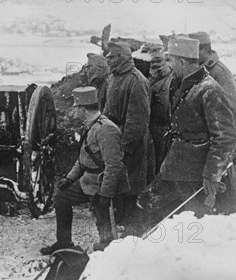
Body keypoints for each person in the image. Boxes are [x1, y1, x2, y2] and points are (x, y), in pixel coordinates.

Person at [126, 37, 236, 236]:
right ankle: (135, 249)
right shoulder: (180, 84)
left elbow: (225, 138)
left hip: (195, 175)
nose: (168, 65)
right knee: (145, 204)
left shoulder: (210, 90)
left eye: (171, 61)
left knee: (194, 226)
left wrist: (211, 176)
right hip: (174, 166)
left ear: (183, 62)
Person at [41, 87, 130, 255]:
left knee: (105, 221)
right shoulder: (91, 126)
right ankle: (63, 241)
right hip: (88, 181)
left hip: (104, 184)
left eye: (76, 108)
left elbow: (113, 166)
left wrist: (106, 194)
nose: (74, 112)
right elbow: (83, 160)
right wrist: (69, 179)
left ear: (83, 109)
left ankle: (108, 250)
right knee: (62, 198)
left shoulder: (106, 129)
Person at [103, 41, 153, 224]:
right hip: (116, 140)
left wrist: (123, 149)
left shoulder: (137, 81)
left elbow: (137, 123)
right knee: (118, 189)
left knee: (131, 189)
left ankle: (131, 235)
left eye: (111, 56)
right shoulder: (114, 78)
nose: (107, 59)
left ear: (121, 58)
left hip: (133, 147)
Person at [187, 32, 236, 120]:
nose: (190, 55)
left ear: (205, 49)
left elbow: (232, 108)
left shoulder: (221, 72)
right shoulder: (196, 68)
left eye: (193, 51)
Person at [148, 50, 174, 175]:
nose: (155, 64)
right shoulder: (151, 80)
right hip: (153, 130)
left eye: (159, 61)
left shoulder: (171, 79)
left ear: (167, 62)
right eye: (153, 62)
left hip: (164, 130)